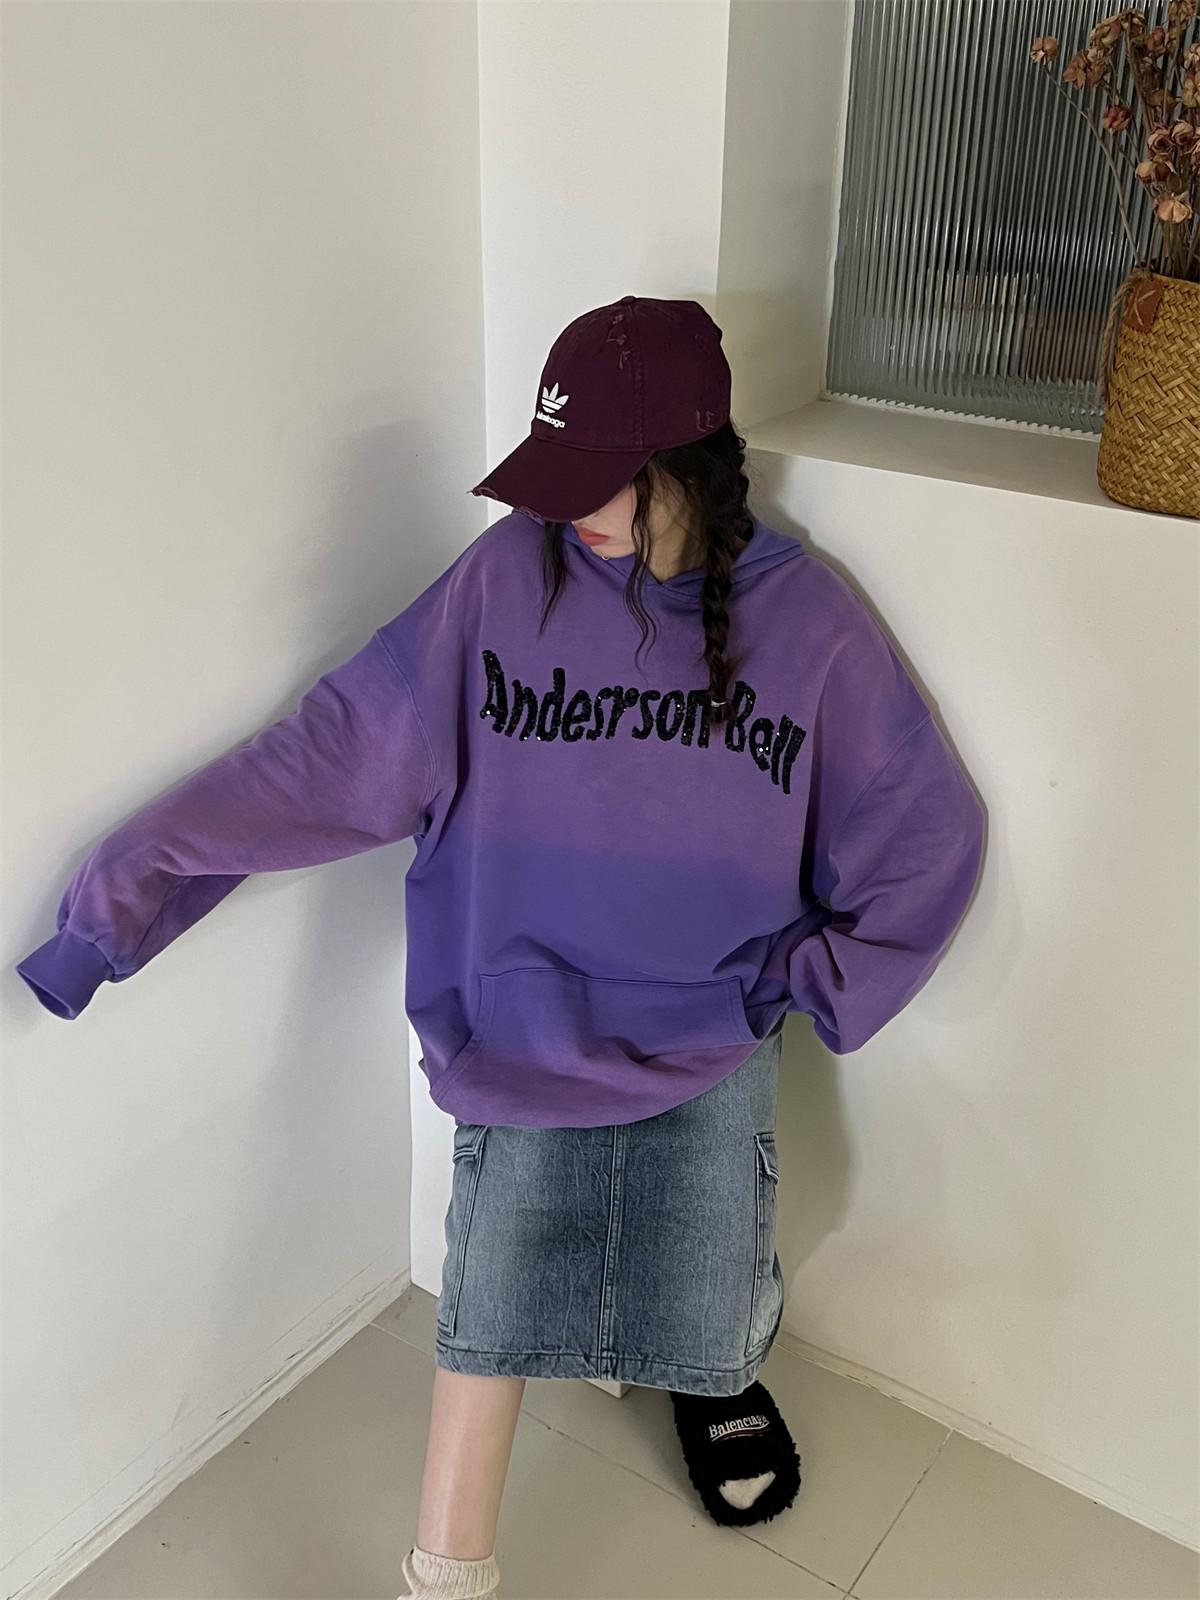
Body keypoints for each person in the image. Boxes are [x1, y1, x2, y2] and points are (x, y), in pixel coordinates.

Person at [15, 296, 987, 1600]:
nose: (561, 509)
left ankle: (715, 1378)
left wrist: (811, 981)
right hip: (520, 1040)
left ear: (688, 463)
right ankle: (446, 1573)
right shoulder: (500, 584)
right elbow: (326, 757)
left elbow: (925, 827)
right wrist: (113, 905)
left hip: (710, 1042)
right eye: (552, 472)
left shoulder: (807, 625)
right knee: (492, 1308)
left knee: (713, 1269)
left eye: (595, 479)